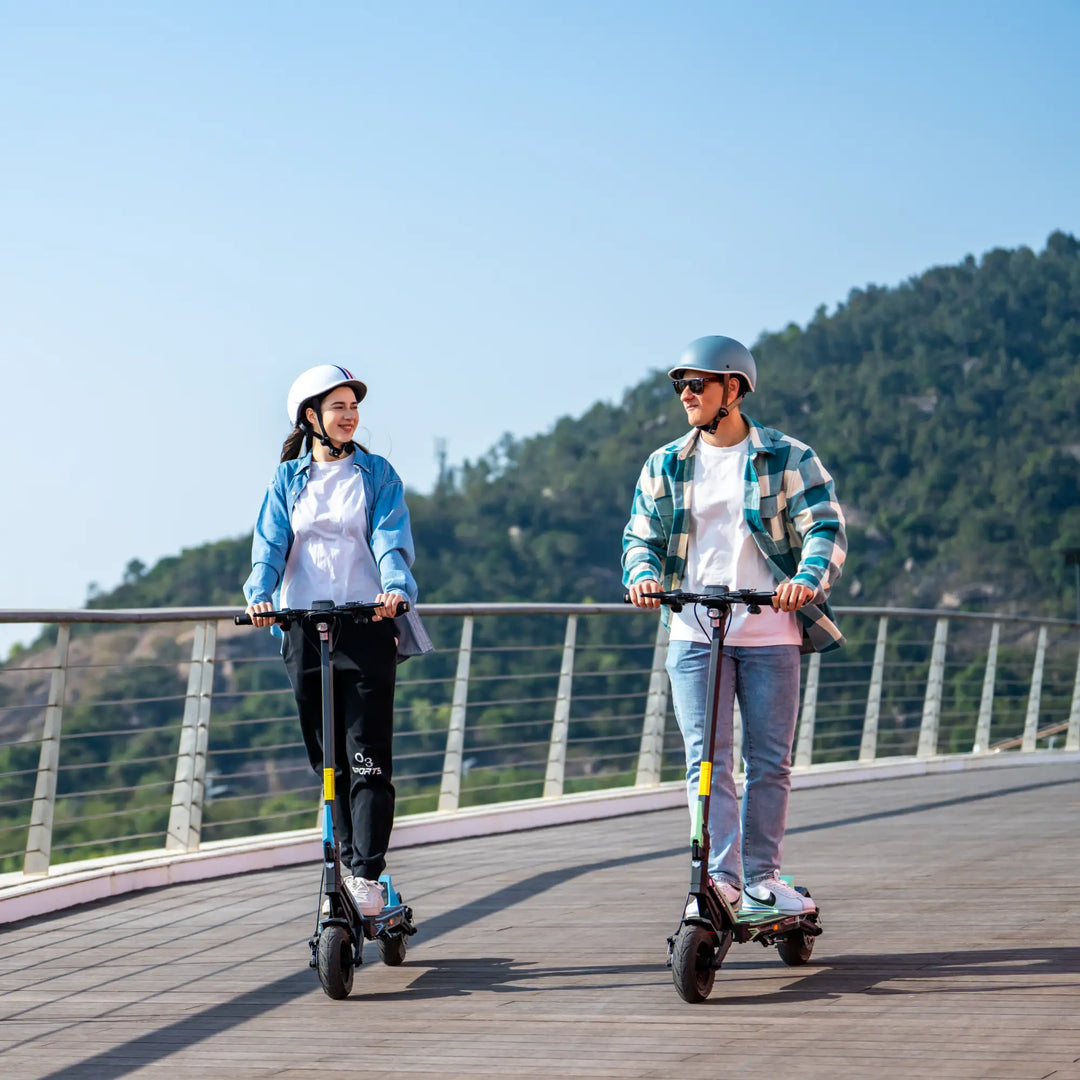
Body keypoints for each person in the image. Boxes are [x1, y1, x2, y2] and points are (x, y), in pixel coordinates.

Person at [623, 336, 846, 915]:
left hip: (771, 629)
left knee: (770, 762)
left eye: (698, 383)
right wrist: (643, 575)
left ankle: (763, 879)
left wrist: (807, 578)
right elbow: (639, 536)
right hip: (695, 630)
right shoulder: (665, 462)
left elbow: (824, 527)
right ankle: (719, 880)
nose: (687, 394)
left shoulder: (788, 456)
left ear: (735, 388)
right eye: (681, 385)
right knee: (707, 761)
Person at [244, 364, 432, 916]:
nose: (350, 416)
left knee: (368, 758)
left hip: (367, 624)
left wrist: (395, 589)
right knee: (328, 762)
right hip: (303, 628)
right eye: (339, 408)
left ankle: (367, 876)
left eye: (354, 407)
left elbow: (389, 538)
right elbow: (269, 546)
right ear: (311, 417)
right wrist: (259, 595)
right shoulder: (286, 480)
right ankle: (347, 866)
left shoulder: (376, 475)